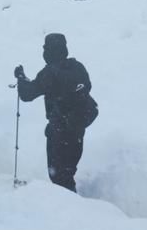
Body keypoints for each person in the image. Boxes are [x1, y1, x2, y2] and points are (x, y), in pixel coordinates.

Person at [15, 33, 98, 193]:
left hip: (59, 132)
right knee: (68, 172)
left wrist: (20, 78)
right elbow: (86, 88)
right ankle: (72, 205)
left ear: (49, 51)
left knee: (58, 176)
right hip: (78, 128)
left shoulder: (50, 73)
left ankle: (69, 210)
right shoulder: (78, 67)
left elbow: (27, 94)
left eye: (45, 48)